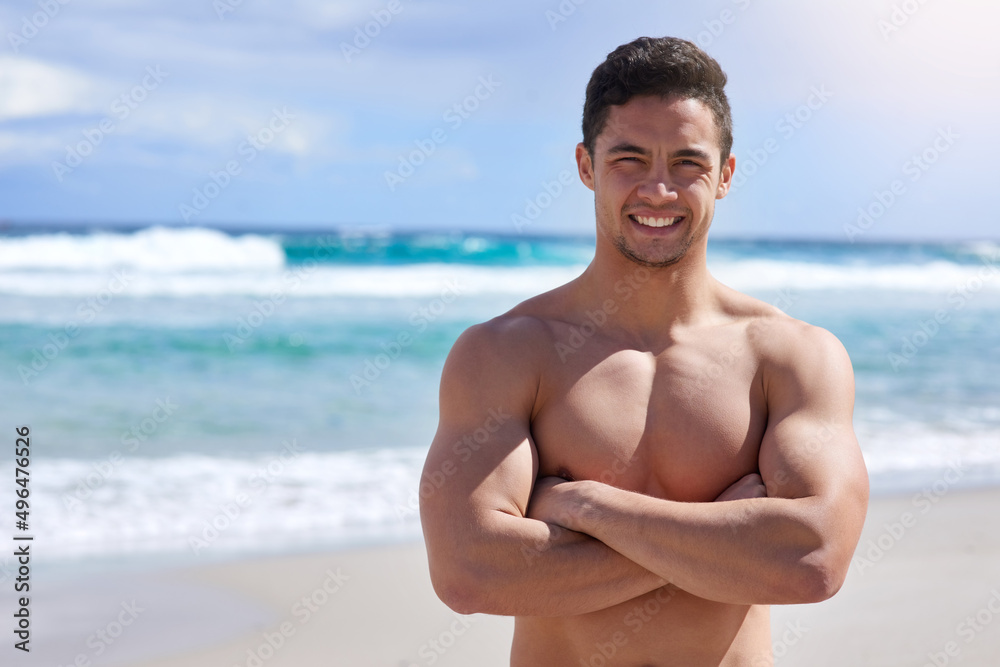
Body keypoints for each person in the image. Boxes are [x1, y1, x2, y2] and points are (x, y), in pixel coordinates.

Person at [419, 36, 869, 666]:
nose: (659, 189)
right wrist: (725, 541)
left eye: (687, 162)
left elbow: (813, 561)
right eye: (629, 158)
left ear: (726, 174)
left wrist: (586, 505)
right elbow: (469, 572)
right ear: (586, 166)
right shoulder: (506, 354)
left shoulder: (790, 356)